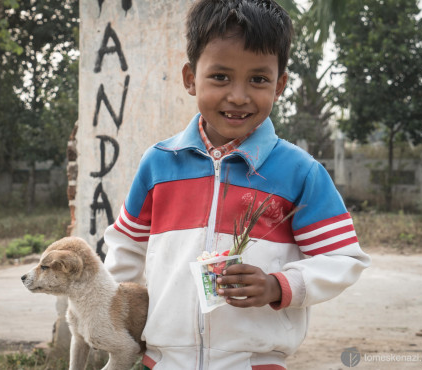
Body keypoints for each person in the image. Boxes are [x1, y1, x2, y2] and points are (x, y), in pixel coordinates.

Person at [104, 1, 371, 369]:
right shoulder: (159, 163)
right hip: (162, 361)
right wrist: (113, 318)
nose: (239, 96)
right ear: (189, 78)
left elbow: (343, 259)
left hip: (254, 362)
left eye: (258, 79)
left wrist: (277, 285)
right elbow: (126, 246)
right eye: (220, 77)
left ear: (279, 86)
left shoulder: (299, 172)